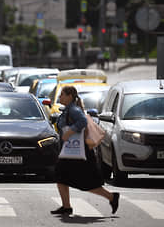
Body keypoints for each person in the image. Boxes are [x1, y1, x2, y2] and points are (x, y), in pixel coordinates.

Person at [51, 86, 119, 215]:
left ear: (69, 96)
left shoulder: (74, 109)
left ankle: (111, 197)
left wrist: (70, 131)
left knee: (86, 182)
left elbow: (82, 121)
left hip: (79, 152)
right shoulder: (68, 109)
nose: (60, 97)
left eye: (62, 95)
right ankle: (66, 207)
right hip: (70, 151)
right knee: (61, 177)